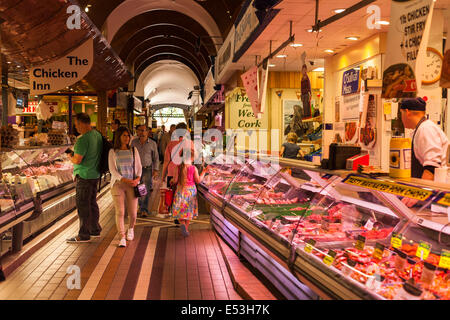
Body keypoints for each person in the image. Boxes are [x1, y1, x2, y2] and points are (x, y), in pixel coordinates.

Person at [400, 97, 449, 207]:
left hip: (435, 197)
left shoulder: (426, 129)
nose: (401, 118)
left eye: (401, 114)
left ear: (407, 112)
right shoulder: (419, 129)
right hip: (429, 195)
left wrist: (417, 194)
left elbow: (432, 167)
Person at [67, 113, 103, 243]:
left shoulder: (82, 140)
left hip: (84, 175)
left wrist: (70, 156)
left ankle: (84, 234)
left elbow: (77, 159)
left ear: (82, 123)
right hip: (95, 174)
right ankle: (95, 229)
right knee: (92, 202)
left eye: (76, 125)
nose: (76, 127)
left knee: (83, 205)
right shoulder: (97, 135)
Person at [108, 126, 142, 247]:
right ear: (118, 137)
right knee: (120, 211)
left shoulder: (133, 150)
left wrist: (137, 179)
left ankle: (131, 229)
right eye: (124, 135)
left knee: (133, 213)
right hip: (118, 184)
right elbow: (113, 170)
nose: (127, 138)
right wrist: (124, 180)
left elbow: (139, 167)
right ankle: (122, 236)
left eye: (128, 135)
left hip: (132, 184)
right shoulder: (113, 152)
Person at [170, 147, 208, 236]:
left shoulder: (178, 167)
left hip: (180, 190)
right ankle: (186, 228)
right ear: (192, 158)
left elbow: (175, 180)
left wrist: (171, 180)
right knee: (189, 211)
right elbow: (198, 180)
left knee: (180, 210)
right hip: (191, 191)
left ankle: (182, 224)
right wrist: (203, 172)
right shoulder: (193, 168)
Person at [162, 122, 194, 222]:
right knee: (183, 194)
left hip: (172, 172)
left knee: (173, 193)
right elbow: (193, 159)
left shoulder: (171, 144)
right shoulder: (190, 143)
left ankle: (174, 214)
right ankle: (182, 214)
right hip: (185, 173)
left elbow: (166, 161)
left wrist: (163, 175)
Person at [131, 125, 159, 217]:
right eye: (140, 130)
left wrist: (156, 169)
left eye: (144, 130)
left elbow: (156, 158)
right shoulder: (133, 143)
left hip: (147, 169)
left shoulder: (152, 143)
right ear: (137, 132)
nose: (142, 133)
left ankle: (144, 209)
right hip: (135, 169)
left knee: (144, 189)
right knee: (138, 188)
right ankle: (141, 206)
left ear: (147, 132)